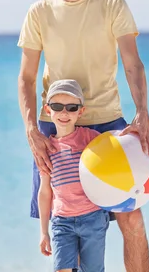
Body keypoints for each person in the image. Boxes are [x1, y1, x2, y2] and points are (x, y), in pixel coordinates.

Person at [17, 0, 149, 272]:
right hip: (60, 125)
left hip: (108, 124)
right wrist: (31, 129)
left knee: (131, 220)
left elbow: (132, 63)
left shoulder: (112, 5)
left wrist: (142, 113)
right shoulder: (39, 12)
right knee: (70, 224)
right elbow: (27, 78)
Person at [38, 79, 110, 272]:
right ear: (47, 109)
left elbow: (115, 157)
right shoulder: (46, 148)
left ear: (81, 111)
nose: (64, 113)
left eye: (71, 107)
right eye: (57, 106)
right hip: (62, 221)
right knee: (62, 269)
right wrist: (43, 231)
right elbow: (45, 191)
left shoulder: (91, 139)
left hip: (92, 217)